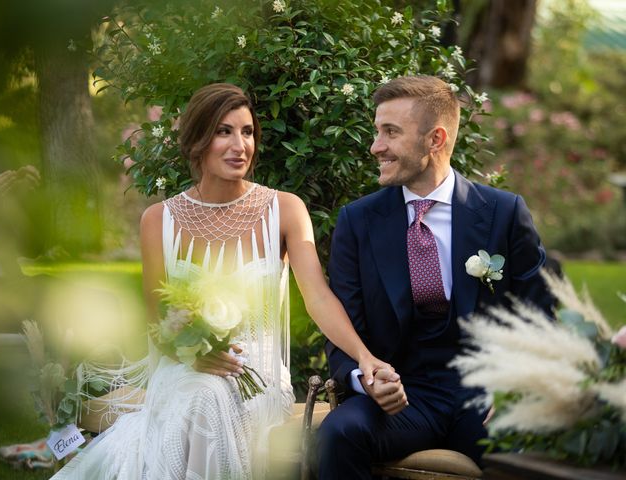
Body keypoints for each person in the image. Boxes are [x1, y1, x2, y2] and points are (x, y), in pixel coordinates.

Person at [52, 83, 392, 479]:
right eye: (223, 131)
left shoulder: (284, 209)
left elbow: (318, 298)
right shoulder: (158, 220)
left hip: (257, 378)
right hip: (182, 372)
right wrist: (191, 353)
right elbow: (156, 321)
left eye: (247, 132)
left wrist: (363, 356)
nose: (240, 145)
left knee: (205, 398)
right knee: (199, 395)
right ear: (197, 140)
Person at [316, 75, 554, 479]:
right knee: (340, 432)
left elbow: (542, 316)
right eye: (377, 132)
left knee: (525, 442)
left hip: (485, 396)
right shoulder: (358, 222)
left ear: (435, 139)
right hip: (404, 399)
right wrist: (364, 378)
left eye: (390, 132)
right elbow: (341, 328)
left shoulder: (504, 213)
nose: (376, 146)